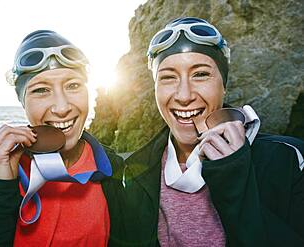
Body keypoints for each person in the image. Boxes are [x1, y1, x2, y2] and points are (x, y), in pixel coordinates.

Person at [121, 17, 304, 246]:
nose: (184, 95)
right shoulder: (134, 174)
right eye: (168, 77)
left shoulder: (289, 160)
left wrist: (236, 182)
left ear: (224, 85)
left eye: (200, 74)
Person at [0, 30, 125, 246]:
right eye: (41, 90)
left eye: (73, 85)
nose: (62, 107)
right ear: (23, 101)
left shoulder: (111, 166)